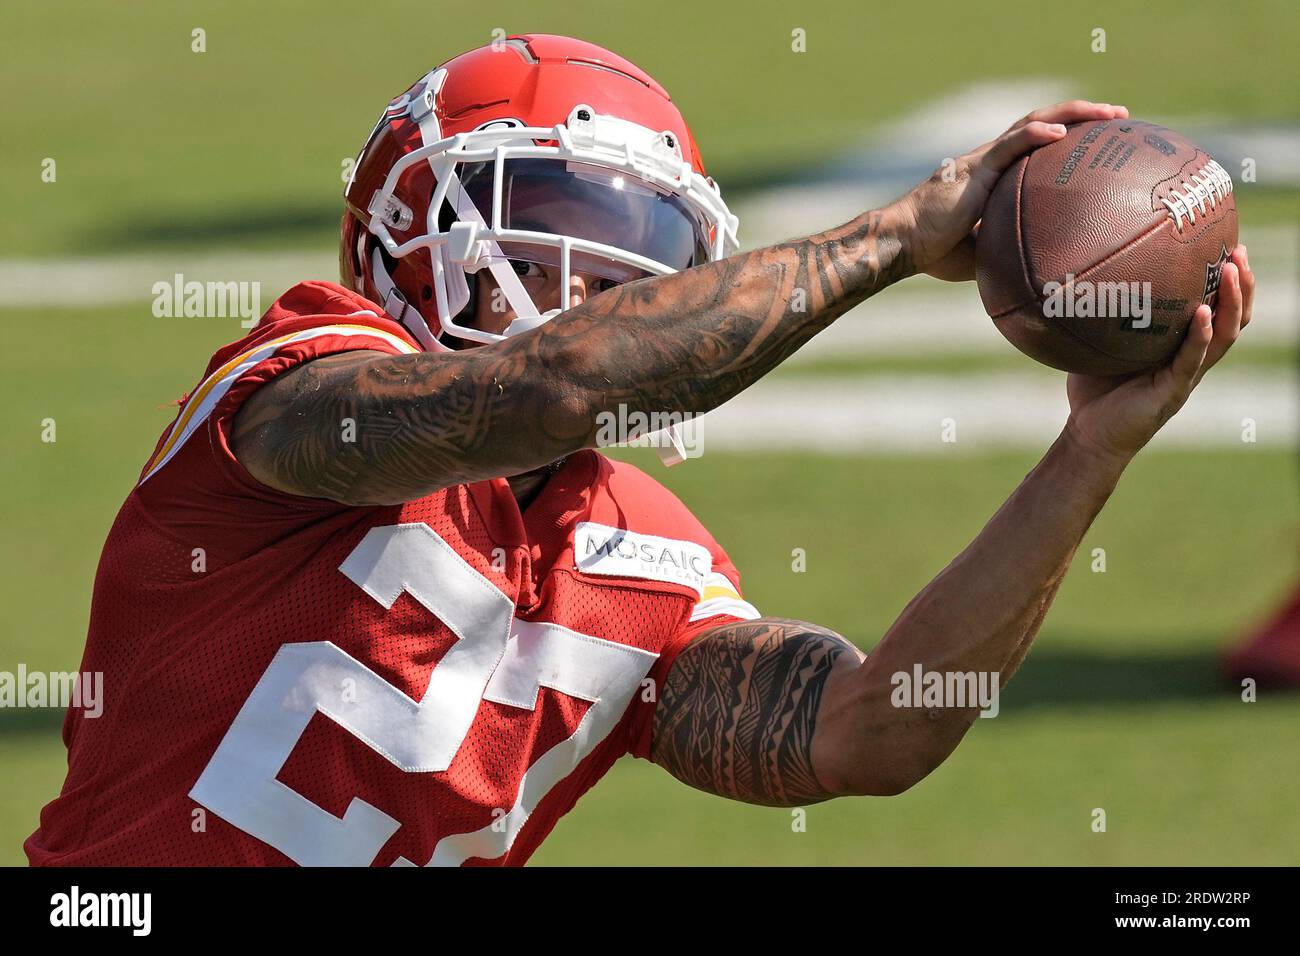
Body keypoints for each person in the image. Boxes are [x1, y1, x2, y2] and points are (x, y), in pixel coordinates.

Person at [27, 34, 1252, 866]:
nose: (589, 279)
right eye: (546, 228)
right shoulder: (294, 385)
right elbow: (557, 385)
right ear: (406, 225)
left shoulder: (638, 554)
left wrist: (1088, 453)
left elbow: (873, 731)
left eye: (629, 245)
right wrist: (891, 237)